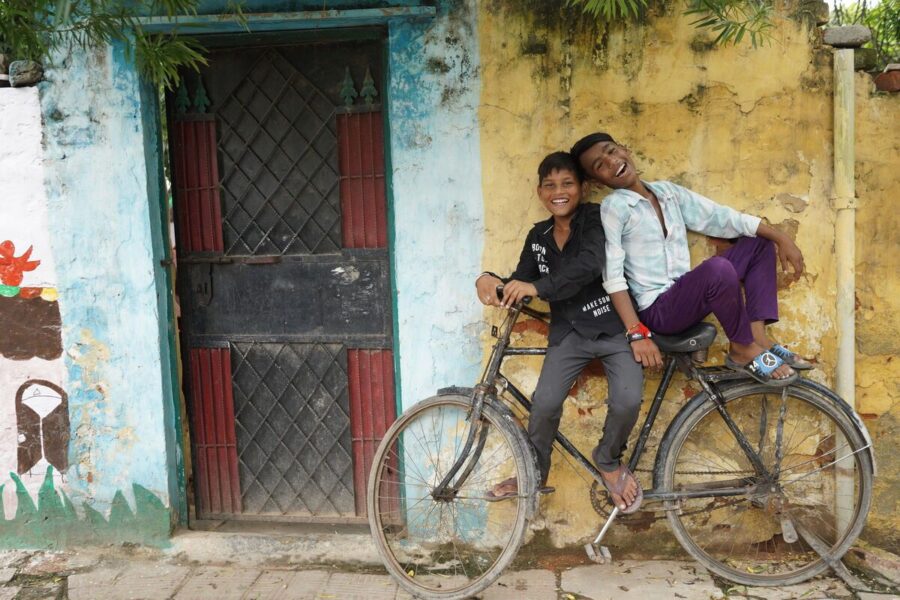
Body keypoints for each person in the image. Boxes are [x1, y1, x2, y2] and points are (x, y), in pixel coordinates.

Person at [570, 132, 812, 387]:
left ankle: (757, 336)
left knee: (758, 243)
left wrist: (781, 238)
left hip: (685, 294)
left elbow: (719, 218)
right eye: (599, 165)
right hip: (659, 310)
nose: (611, 162)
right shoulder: (614, 206)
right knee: (717, 269)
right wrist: (635, 331)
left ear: (624, 149)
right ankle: (742, 349)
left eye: (611, 151)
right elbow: (613, 275)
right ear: (597, 181)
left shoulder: (667, 193)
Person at [476, 151, 645, 513]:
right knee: (546, 404)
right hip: (568, 334)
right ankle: (535, 473)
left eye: (567, 183)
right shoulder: (538, 236)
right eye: (550, 185)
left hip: (612, 327)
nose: (559, 191)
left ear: (582, 188)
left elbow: (590, 264)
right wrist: (490, 279)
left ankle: (609, 459)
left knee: (628, 400)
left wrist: (539, 288)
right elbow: (523, 279)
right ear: (540, 192)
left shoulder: (597, 218)